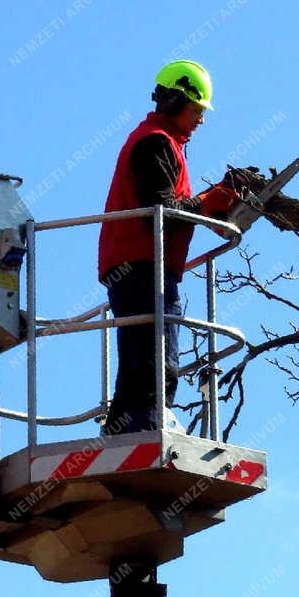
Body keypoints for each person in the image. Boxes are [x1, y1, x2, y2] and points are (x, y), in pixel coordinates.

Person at [97, 60, 241, 434]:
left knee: (138, 354)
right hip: (143, 263)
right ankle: (150, 422)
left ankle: (121, 427)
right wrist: (208, 202)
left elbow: (167, 210)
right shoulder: (155, 143)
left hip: (137, 261)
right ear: (176, 102)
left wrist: (211, 203)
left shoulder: (159, 140)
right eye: (197, 110)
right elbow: (159, 213)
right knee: (157, 354)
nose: (201, 120)